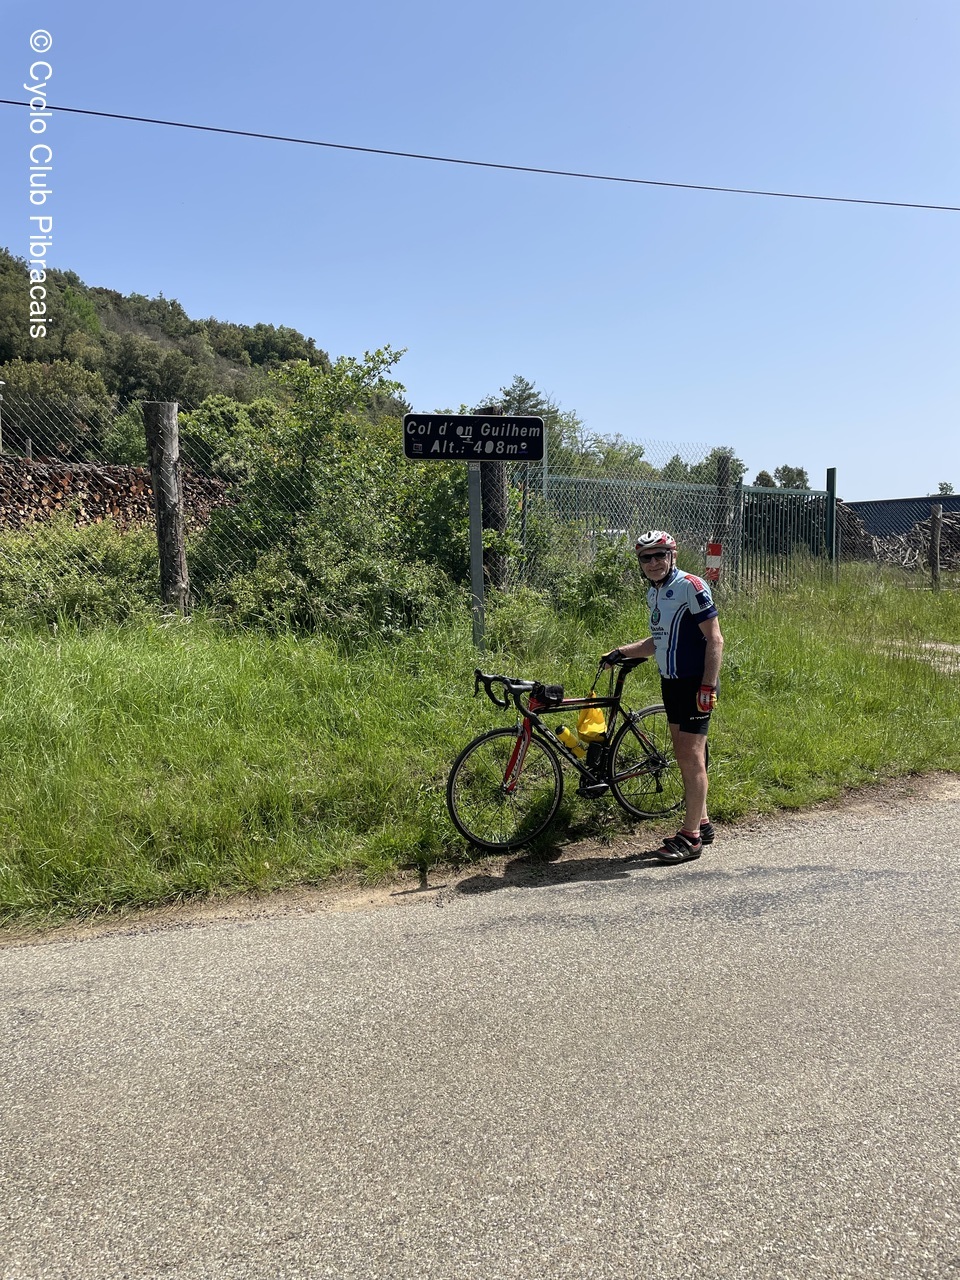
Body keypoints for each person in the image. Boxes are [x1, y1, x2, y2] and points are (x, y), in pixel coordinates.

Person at [601, 530, 724, 865]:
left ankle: (691, 838)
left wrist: (707, 686)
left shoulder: (691, 586)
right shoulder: (654, 593)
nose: (653, 562)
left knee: (690, 756)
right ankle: (702, 822)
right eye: (646, 557)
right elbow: (657, 641)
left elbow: (715, 639)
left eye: (659, 555)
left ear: (673, 556)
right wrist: (620, 652)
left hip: (695, 683)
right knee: (684, 754)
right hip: (671, 682)